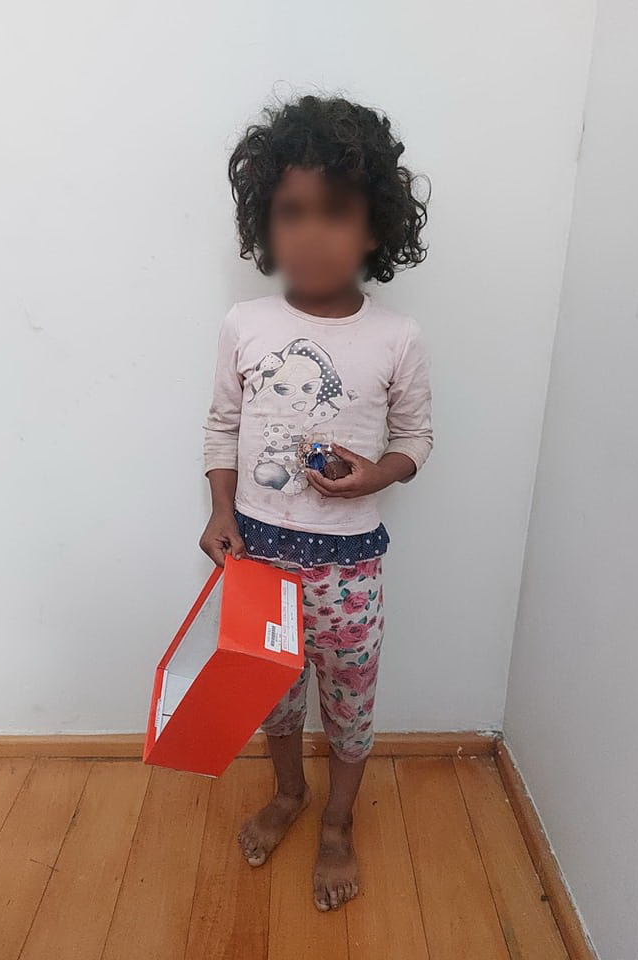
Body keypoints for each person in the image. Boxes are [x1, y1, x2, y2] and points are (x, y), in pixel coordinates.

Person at [199, 93, 434, 912]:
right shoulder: (245, 324)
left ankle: (337, 822)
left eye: (335, 212)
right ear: (265, 224)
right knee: (270, 697)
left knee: (349, 705)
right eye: (291, 211)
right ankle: (290, 793)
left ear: (375, 228)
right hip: (259, 559)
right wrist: (221, 511)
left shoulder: (397, 338)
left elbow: (418, 438)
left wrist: (377, 474)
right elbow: (222, 425)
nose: (311, 233)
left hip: (349, 573)